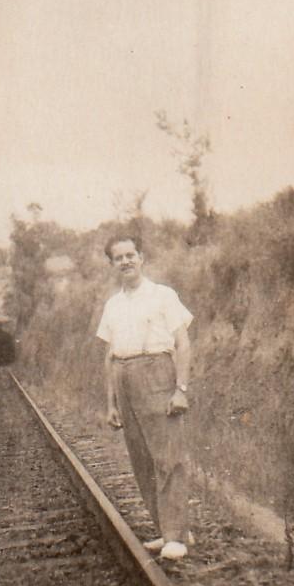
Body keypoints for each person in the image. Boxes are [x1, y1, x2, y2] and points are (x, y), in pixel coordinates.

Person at [96, 232, 194, 561]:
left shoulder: (163, 296)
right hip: (123, 377)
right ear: (111, 265)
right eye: (118, 257)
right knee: (142, 460)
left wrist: (181, 389)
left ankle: (176, 535)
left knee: (167, 456)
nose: (125, 261)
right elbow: (110, 356)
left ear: (141, 258)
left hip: (157, 371)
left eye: (130, 255)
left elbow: (182, 343)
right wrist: (111, 403)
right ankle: (165, 529)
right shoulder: (112, 305)